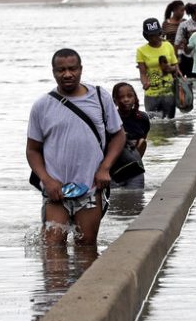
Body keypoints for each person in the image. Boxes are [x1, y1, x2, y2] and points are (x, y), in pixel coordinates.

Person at [26, 48, 127, 247]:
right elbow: (32, 150)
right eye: (61, 70)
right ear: (53, 72)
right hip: (56, 192)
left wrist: (105, 168)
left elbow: (118, 135)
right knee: (52, 250)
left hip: (91, 189)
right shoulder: (42, 106)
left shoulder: (100, 97)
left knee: (87, 248)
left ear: (80, 69)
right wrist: (47, 180)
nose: (67, 74)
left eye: (72, 69)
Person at [136, 17, 181, 119]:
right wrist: (145, 83)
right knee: (153, 124)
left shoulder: (168, 46)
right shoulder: (141, 51)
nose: (153, 38)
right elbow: (142, 73)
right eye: (150, 36)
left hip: (169, 93)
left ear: (160, 32)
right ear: (145, 36)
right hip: (151, 94)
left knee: (170, 123)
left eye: (156, 34)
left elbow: (176, 67)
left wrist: (171, 69)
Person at [111, 82, 151, 189]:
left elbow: (143, 141)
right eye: (121, 97)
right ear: (115, 100)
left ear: (135, 98)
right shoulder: (111, 120)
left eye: (129, 96)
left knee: (135, 195)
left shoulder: (142, 118)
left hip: (135, 165)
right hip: (115, 167)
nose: (126, 99)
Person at [174, 3, 196, 77]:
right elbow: (176, 43)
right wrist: (174, 60)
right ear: (193, 14)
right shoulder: (184, 25)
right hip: (187, 59)